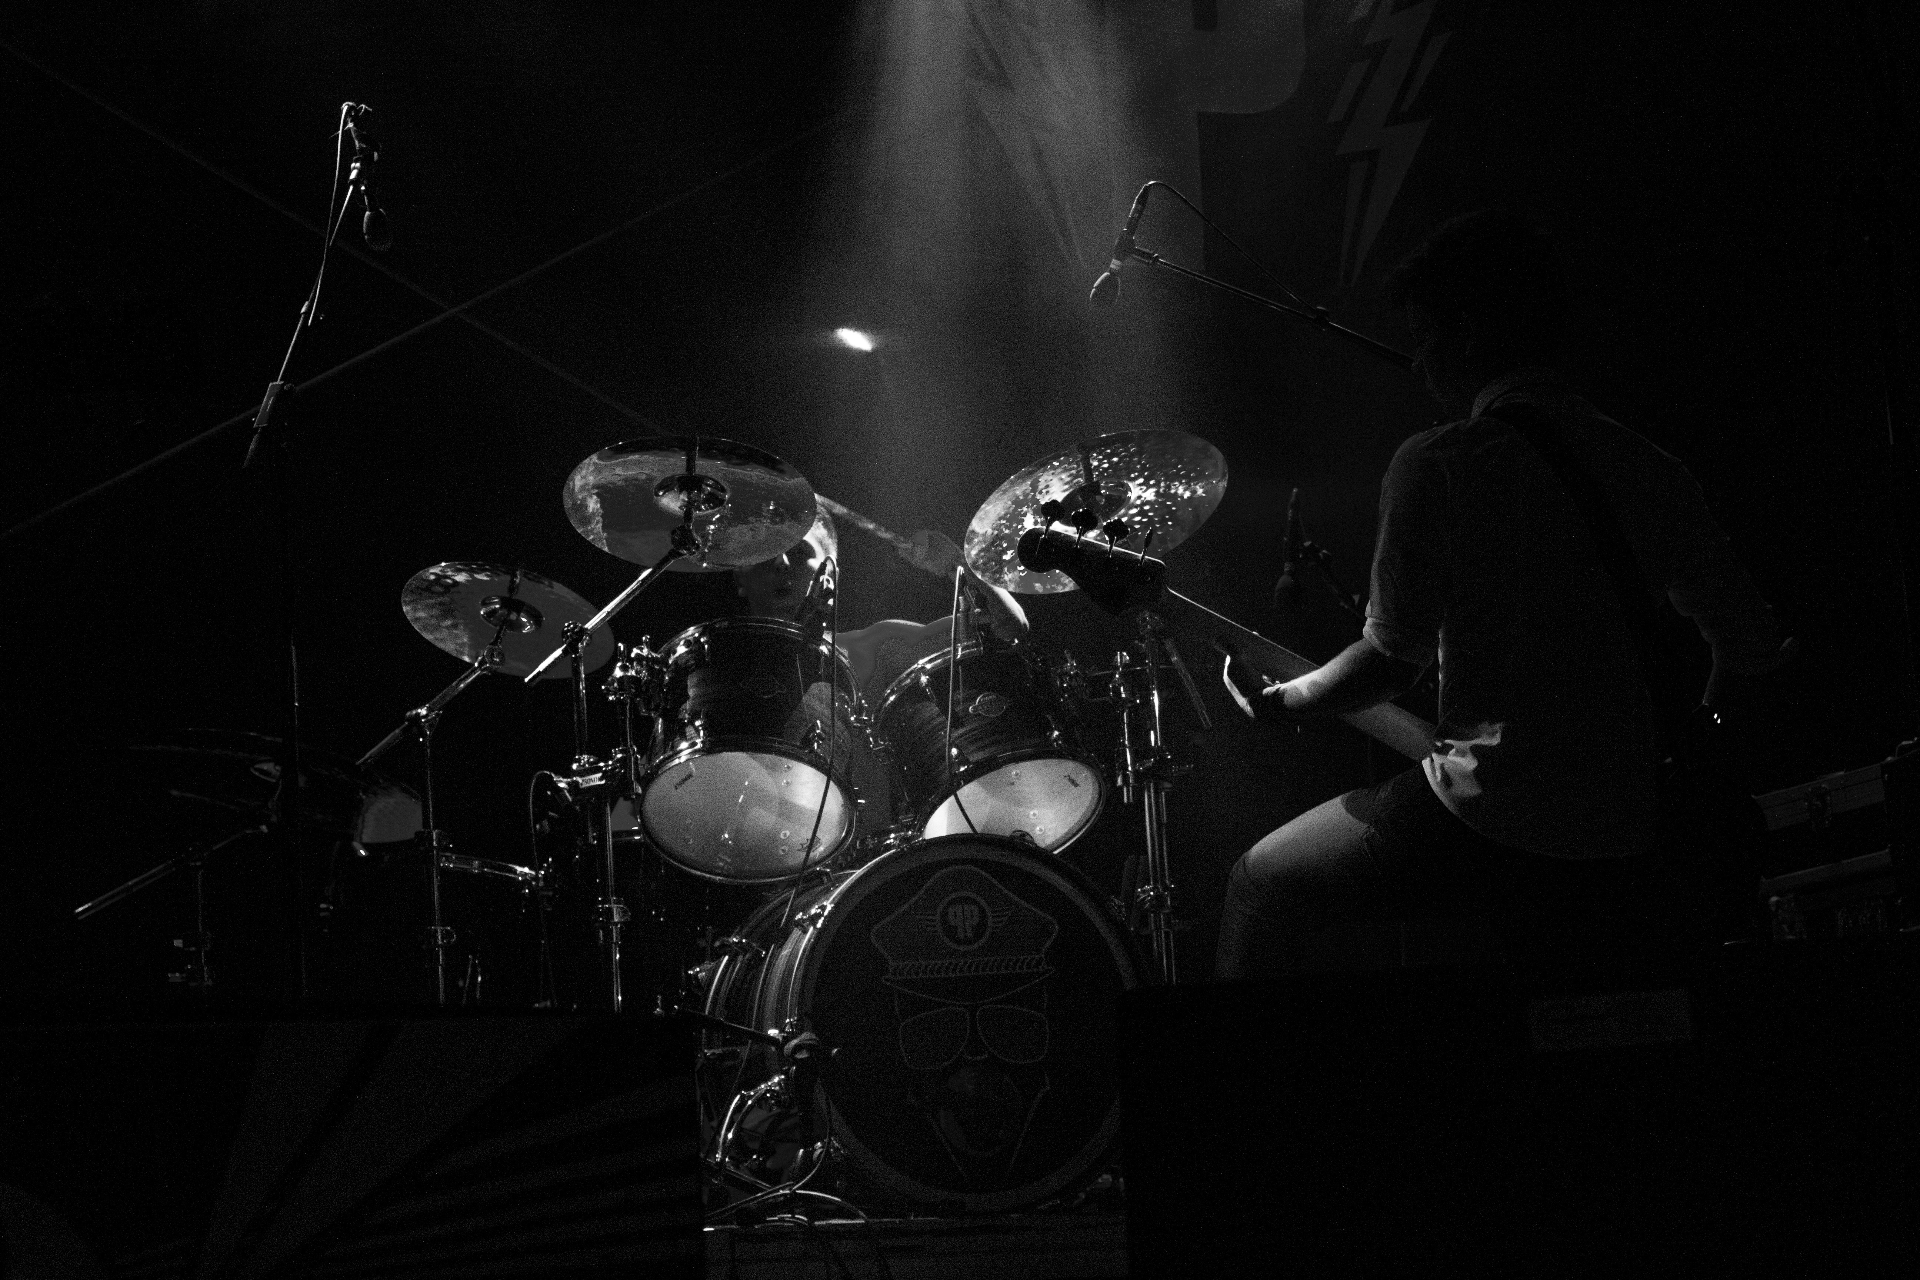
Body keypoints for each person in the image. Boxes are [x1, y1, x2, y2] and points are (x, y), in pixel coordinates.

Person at [1215, 210, 1794, 982]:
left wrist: (1282, 702)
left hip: (1494, 823)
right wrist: (1701, 737)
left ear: (1468, 331)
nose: (1420, 363)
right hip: (1639, 826)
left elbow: (1392, 659)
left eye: (1426, 336)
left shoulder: (1442, 461)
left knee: (1260, 885)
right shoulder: (1647, 465)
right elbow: (1752, 649)